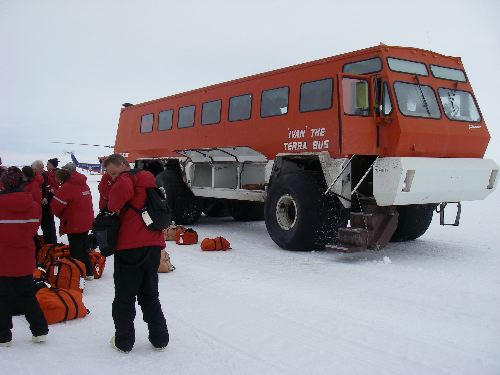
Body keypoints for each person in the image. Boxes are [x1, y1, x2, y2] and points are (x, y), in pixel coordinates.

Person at [103, 154, 169, 353]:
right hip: (154, 245)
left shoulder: (125, 179)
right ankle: (160, 339)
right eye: (109, 174)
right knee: (149, 295)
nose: (113, 177)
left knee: (124, 296)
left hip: (130, 246)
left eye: (113, 172)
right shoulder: (148, 180)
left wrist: (109, 184)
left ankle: (123, 341)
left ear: (124, 165)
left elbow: (111, 206)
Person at [0, 167, 49, 347]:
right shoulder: (33, 205)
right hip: (24, 256)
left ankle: (3, 336)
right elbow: (33, 230)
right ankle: (40, 330)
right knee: (27, 295)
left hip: (3, 259)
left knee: (2, 298)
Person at [50, 169, 94, 280]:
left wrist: (63, 216)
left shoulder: (66, 188)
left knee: (76, 250)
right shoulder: (83, 184)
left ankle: (77, 275)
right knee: (84, 248)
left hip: (74, 222)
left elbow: (55, 206)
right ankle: (89, 272)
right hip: (86, 220)